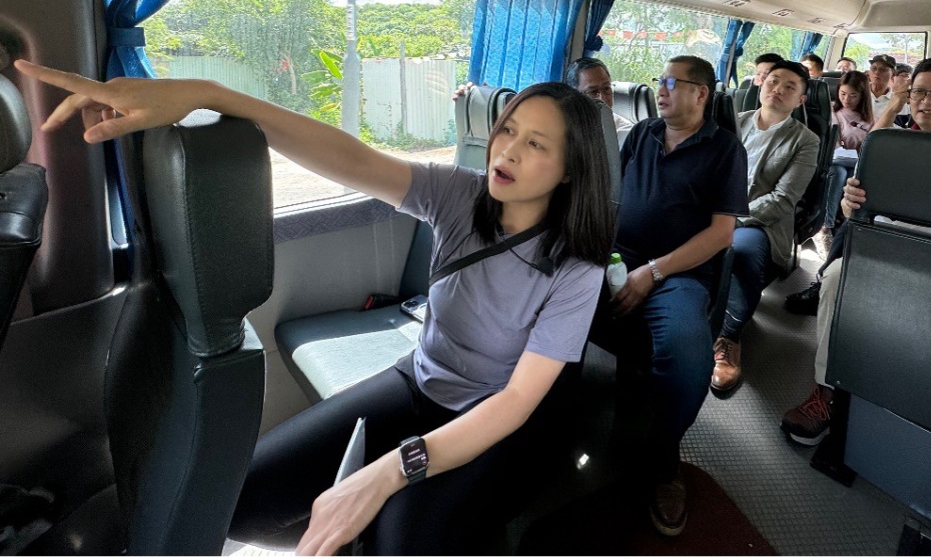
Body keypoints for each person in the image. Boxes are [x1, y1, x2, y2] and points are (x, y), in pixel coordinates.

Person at [15, 59, 615, 556]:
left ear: (570, 171)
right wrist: (209, 94)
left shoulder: (576, 268)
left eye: (535, 144)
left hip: (489, 417)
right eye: (507, 130)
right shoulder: (460, 196)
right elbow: (350, 158)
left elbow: (516, 402)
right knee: (240, 501)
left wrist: (388, 472)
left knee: (399, 542)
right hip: (418, 382)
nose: (506, 151)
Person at [780, 57, 931, 446]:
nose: (928, 100)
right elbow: (855, 213)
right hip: (887, 249)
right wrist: (849, 204)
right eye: (919, 92)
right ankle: (827, 389)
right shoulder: (889, 144)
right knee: (837, 276)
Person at [599, 55, 748, 537]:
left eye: (670, 82)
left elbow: (722, 234)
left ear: (700, 93)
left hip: (678, 274)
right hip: (618, 258)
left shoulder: (724, 149)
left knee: (688, 355)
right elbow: (615, 198)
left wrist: (653, 272)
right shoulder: (642, 134)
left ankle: (664, 462)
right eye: (658, 81)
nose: (660, 89)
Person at [711, 60, 819, 395]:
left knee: (740, 251)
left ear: (800, 99)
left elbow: (783, 199)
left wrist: (731, 219)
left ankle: (729, 336)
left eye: (790, 87)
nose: (778, 89)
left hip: (761, 222)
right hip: (713, 211)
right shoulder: (733, 122)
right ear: (761, 84)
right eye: (773, 81)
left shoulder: (805, 140)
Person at [782, 70, 872, 314]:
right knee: (837, 173)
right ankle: (826, 225)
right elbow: (833, 145)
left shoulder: (871, 118)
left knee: (853, 174)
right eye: (842, 94)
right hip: (836, 162)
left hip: (858, 163)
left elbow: (871, 146)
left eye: (852, 96)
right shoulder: (833, 112)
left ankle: (835, 227)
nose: (846, 99)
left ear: (862, 97)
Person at [564, 56, 635, 139]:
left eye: (606, 89)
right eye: (593, 92)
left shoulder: (625, 134)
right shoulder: (561, 125)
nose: (602, 99)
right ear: (574, 96)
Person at [866, 53, 896, 118]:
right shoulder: (857, 94)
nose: (877, 72)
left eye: (883, 70)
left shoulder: (897, 100)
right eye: (873, 68)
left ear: (893, 74)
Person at [892, 62, 913, 128]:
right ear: (892, 77)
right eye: (905, 76)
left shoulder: (911, 100)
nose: (910, 80)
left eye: (910, 77)